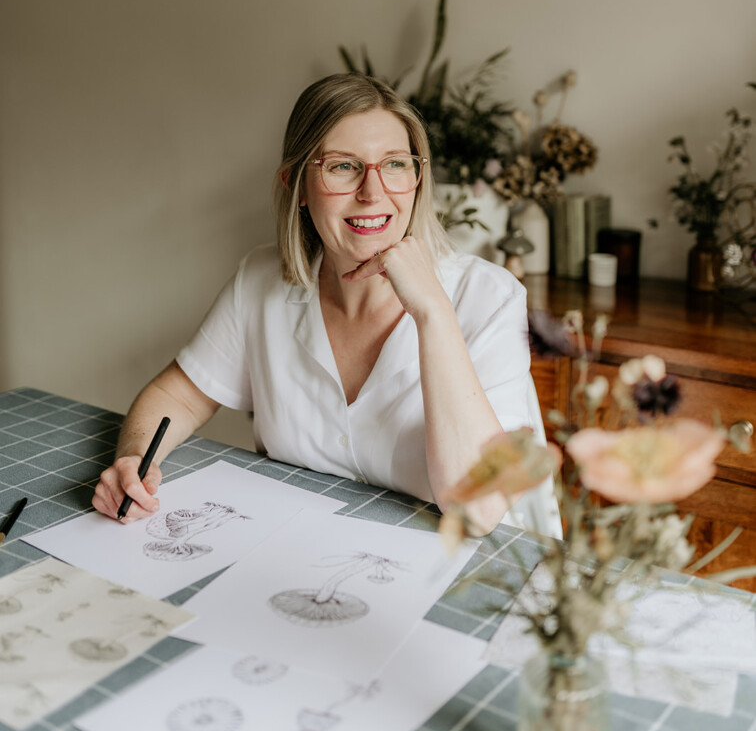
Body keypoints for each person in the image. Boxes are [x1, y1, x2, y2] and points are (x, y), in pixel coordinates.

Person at [93, 74, 561, 538]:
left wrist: (433, 313)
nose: (373, 192)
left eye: (395, 164)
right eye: (343, 167)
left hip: (486, 563)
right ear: (296, 184)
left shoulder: (490, 298)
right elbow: (178, 395)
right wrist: (134, 459)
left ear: (418, 178)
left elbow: (477, 510)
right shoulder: (260, 280)